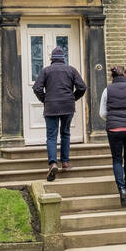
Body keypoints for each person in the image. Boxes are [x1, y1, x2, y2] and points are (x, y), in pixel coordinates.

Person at [32, 46, 87, 181]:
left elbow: (37, 88)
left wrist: (45, 99)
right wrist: (73, 97)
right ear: (63, 59)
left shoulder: (46, 71)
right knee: (65, 133)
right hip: (67, 106)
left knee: (51, 136)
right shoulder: (71, 70)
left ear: (52, 59)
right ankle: (66, 162)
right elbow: (82, 87)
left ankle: (53, 163)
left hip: (51, 106)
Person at [99, 65, 126, 206]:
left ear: (112, 76)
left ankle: (121, 189)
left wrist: (113, 119)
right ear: (125, 74)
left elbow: (102, 113)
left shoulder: (107, 90)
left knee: (117, 159)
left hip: (114, 130)